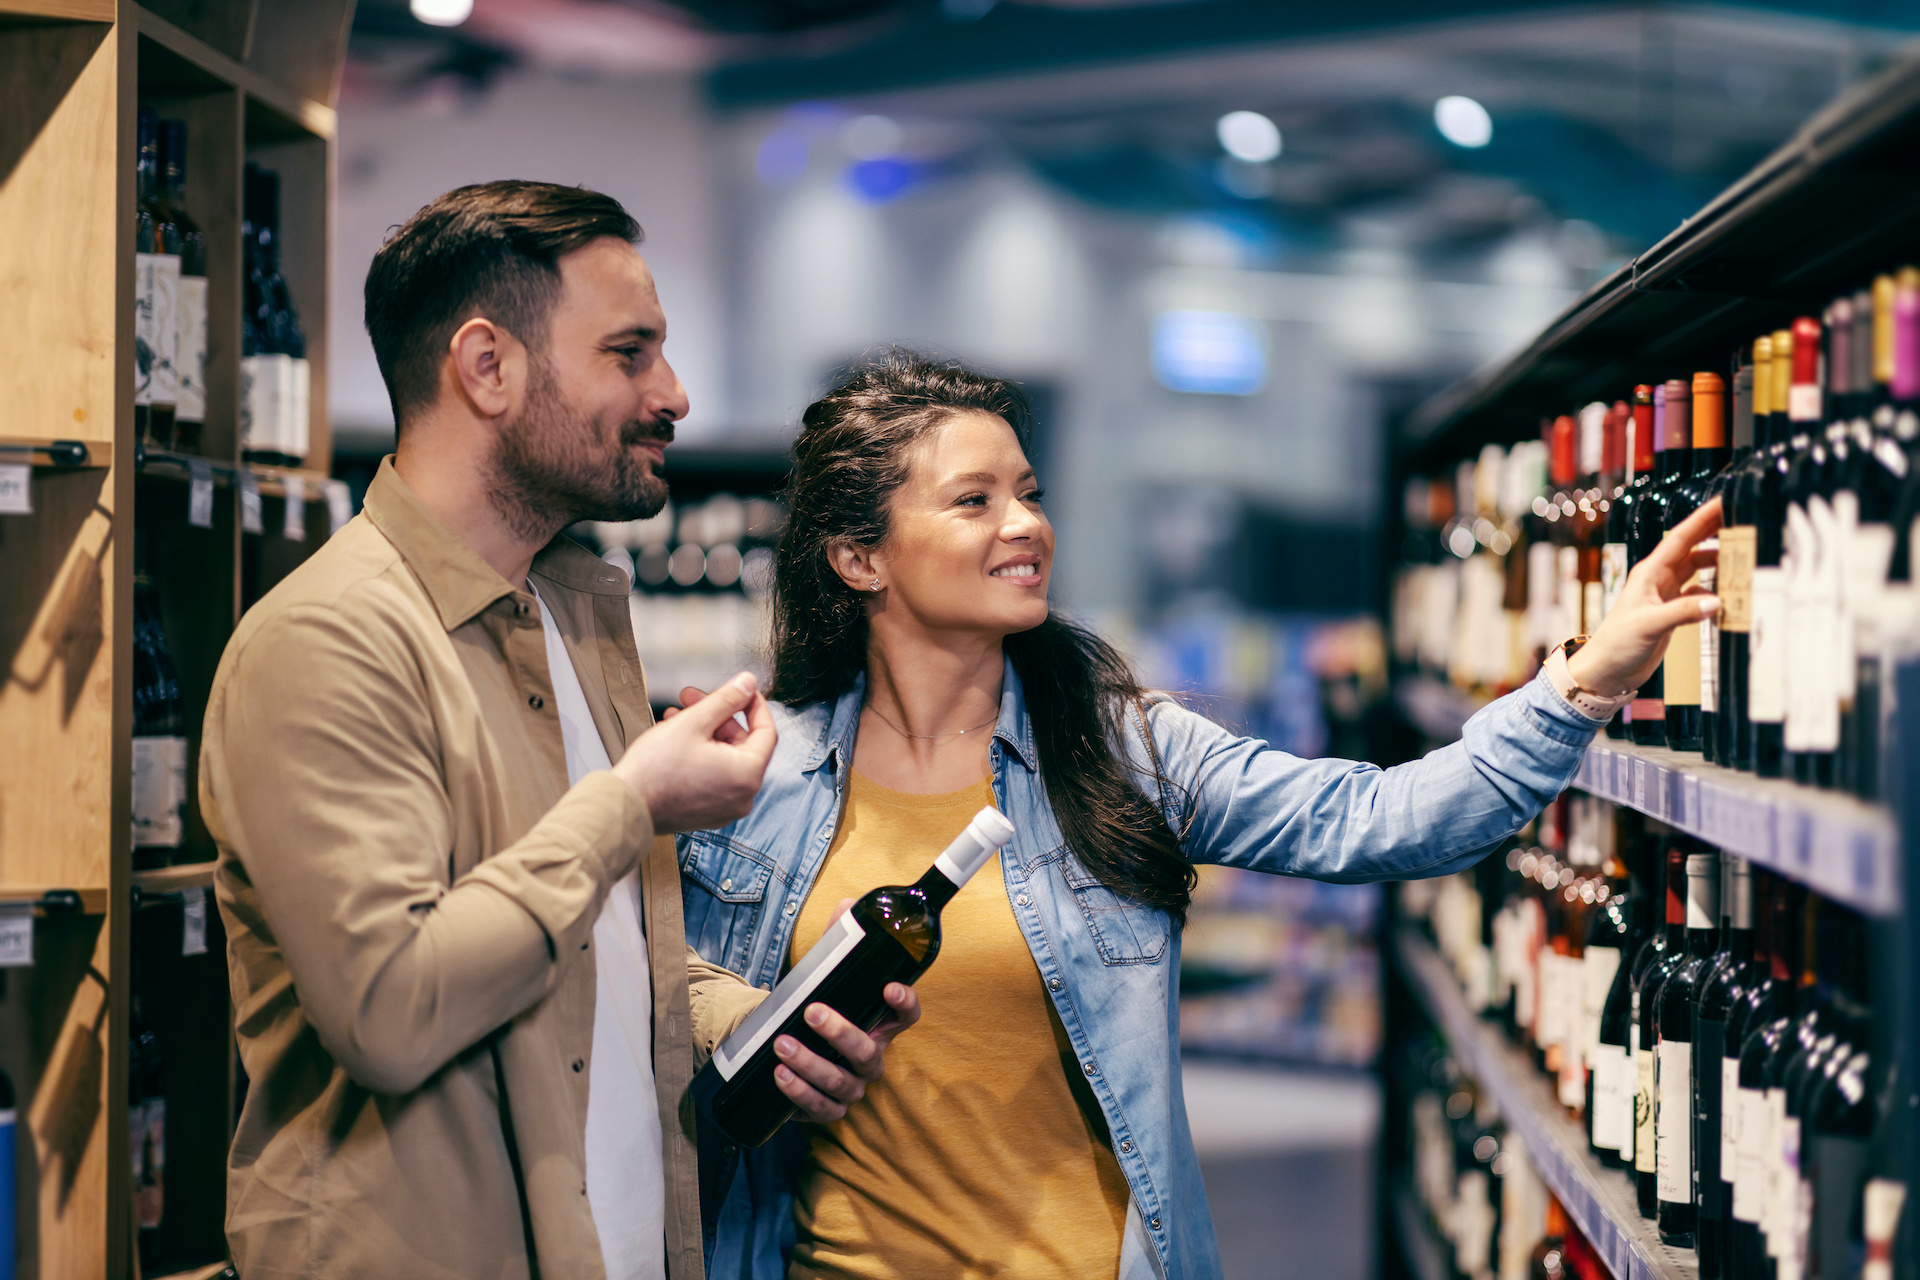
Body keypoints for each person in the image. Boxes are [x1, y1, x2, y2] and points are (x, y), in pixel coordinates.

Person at [674, 352, 1723, 1280]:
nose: (1027, 524)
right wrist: (722, 1013)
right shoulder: (754, 772)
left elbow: (1380, 818)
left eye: (1030, 493)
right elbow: (642, 991)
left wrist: (1585, 678)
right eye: (974, 500)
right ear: (860, 558)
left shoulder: (1126, 752)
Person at [199, 182, 917, 1280]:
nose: (674, 394)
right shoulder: (326, 641)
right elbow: (390, 1006)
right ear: (487, 367)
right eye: (629, 352)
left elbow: (594, 956)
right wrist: (633, 803)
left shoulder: (573, 615)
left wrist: (760, 1021)